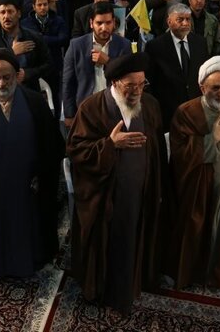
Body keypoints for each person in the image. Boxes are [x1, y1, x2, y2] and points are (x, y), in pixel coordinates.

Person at [67, 53, 167, 314]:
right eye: (130, 85)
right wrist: (110, 145)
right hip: (106, 197)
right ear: (114, 82)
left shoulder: (151, 105)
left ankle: (133, 283)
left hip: (140, 193)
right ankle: (104, 290)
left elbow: (157, 152)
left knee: (136, 238)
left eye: (141, 84)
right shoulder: (91, 108)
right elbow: (76, 151)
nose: (136, 91)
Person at [0, 48, 64, 277]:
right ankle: (1, 265)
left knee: (31, 227)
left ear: (17, 76)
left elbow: (53, 145)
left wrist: (42, 175)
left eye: (6, 77)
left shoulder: (36, 103)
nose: (1, 83)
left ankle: (34, 260)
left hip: (29, 185)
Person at [165, 56, 220, 289]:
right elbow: (179, 154)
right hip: (197, 188)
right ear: (202, 87)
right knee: (194, 229)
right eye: (215, 87)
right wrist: (211, 139)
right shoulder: (187, 112)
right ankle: (189, 274)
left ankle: (215, 275)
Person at [62, 2, 131, 127]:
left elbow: (128, 77)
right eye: (99, 23)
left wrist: (108, 62)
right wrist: (69, 114)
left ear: (114, 23)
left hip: (115, 109)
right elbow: (68, 83)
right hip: (85, 108)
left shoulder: (124, 45)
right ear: (91, 23)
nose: (104, 28)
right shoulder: (76, 46)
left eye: (108, 23)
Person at [145, 3, 210, 131]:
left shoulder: (200, 43)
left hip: (195, 109)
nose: (185, 23)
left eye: (188, 19)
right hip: (167, 111)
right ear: (169, 21)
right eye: (180, 19)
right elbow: (150, 81)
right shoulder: (155, 46)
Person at [0, 0, 52, 92]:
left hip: (27, 89)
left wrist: (27, 74)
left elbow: (48, 65)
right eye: (3, 12)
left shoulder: (34, 37)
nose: (6, 16)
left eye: (10, 11)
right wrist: (11, 52)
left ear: (19, 14)